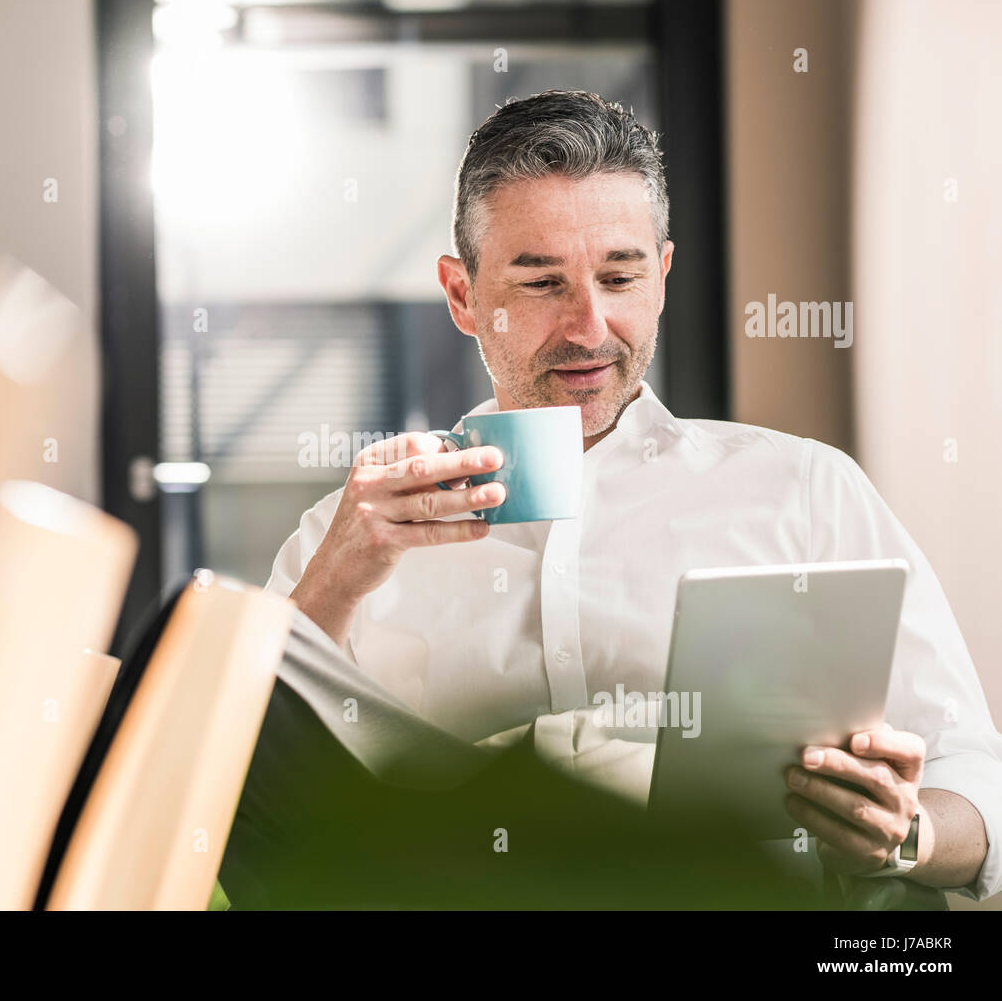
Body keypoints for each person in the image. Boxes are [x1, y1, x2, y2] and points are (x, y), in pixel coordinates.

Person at [260, 89, 1001, 903]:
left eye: (620, 275)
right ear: (463, 296)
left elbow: (975, 771)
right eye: (541, 283)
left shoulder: (806, 491)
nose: (589, 325)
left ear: (663, 275)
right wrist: (334, 577)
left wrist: (904, 833)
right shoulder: (356, 531)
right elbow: (236, 789)